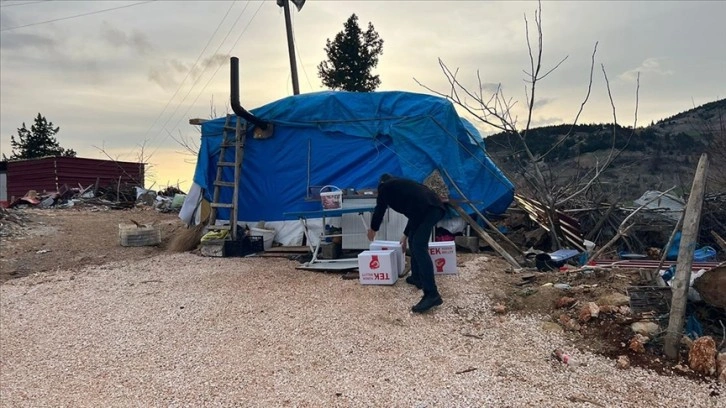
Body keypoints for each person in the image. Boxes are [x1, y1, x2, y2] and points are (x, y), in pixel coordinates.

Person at [367, 173, 447, 313]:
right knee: (413, 239)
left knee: (419, 246)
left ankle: (432, 294)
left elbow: (380, 208)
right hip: (430, 209)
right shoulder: (403, 188)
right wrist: (404, 236)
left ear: (381, 183)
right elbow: (414, 213)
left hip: (430, 210)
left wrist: (373, 228)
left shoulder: (385, 188)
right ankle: (417, 278)